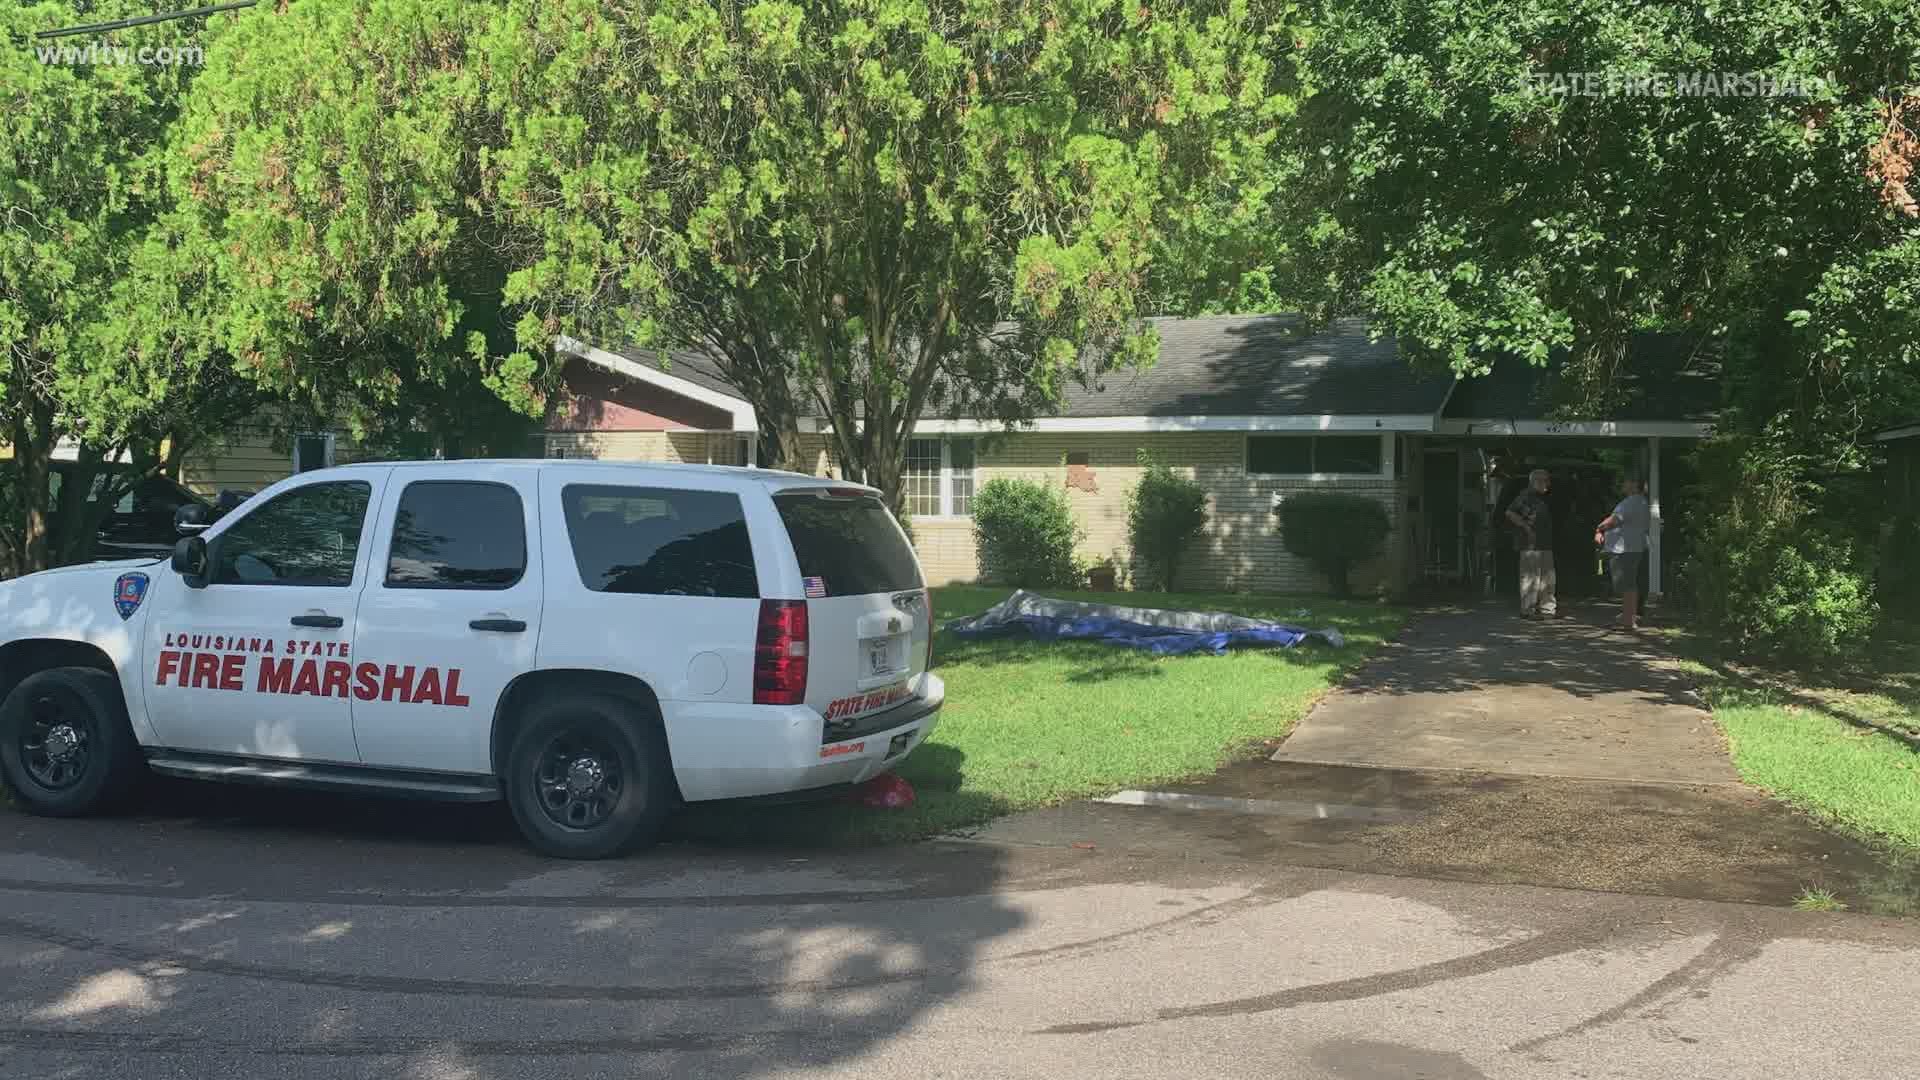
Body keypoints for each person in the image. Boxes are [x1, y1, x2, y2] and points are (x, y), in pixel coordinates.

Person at [1595, 476, 1651, 630]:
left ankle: (1628, 620)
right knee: (1629, 584)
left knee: (1626, 585)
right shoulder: (1639, 502)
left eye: (1625, 481)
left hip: (1625, 550)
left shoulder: (1632, 501)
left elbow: (1614, 520)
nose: (1623, 484)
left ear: (1634, 484)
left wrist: (1599, 528)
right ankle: (1628, 615)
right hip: (1632, 548)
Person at [1505, 469, 1557, 619]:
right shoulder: (1525, 495)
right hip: (1530, 543)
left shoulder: (1544, 497)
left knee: (1548, 578)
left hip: (1545, 543)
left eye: (1547, 480)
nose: (1547, 483)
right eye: (1543, 480)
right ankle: (1528, 610)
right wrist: (1526, 527)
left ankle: (1547, 609)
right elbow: (1510, 513)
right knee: (1530, 577)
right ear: (1534, 481)